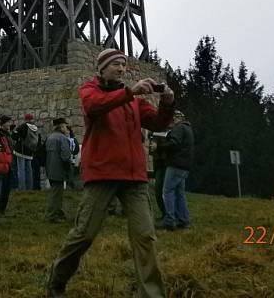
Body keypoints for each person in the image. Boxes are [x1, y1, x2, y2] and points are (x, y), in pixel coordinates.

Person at [46, 48, 175, 298]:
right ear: (101, 68)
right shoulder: (89, 90)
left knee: (145, 238)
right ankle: (56, 281)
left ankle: (153, 295)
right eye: (116, 64)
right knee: (84, 234)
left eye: (124, 65)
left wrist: (168, 104)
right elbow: (94, 107)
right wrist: (129, 92)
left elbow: (158, 123)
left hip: (134, 178)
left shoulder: (135, 102)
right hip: (103, 175)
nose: (121, 69)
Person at [161, 110, 194, 230]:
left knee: (167, 192)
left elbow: (174, 144)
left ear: (175, 118)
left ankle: (170, 221)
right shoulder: (188, 128)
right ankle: (183, 220)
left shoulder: (179, 128)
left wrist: (160, 146)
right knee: (180, 194)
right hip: (184, 166)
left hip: (175, 164)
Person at [45, 118, 72, 222]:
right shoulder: (62, 138)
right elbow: (65, 156)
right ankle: (52, 215)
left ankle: (59, 213)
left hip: (50, 168)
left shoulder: (49, 137)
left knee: (55, 192)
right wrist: (69, 169)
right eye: (65, 126)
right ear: (61, 126)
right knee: (57, 194)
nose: (66, 128)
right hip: (59, 169)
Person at [12, 113, 39, 190]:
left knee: (21, 170)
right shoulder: (35, 128)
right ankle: (29, 187)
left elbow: (14, 136)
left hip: (21, 150)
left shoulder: (23, 126)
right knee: (29, 170)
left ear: (25, 119)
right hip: (30, 151)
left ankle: (22, 188)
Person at [0, 115, 15, 215]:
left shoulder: (7, 135)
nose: (10, 124)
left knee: (6, 190)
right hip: (3, 166)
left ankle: (1, 210)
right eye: (8, 122)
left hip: (9, 165)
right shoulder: (1, 136)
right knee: (2, 189)